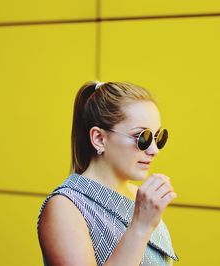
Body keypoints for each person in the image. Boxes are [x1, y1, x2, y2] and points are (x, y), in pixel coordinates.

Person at [37, 81, 179, 265]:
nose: (154, 149)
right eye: (142, 137)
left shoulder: (140, 198)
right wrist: (141, 226)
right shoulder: (65, 207)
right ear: (99, 139)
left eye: (158, 137)